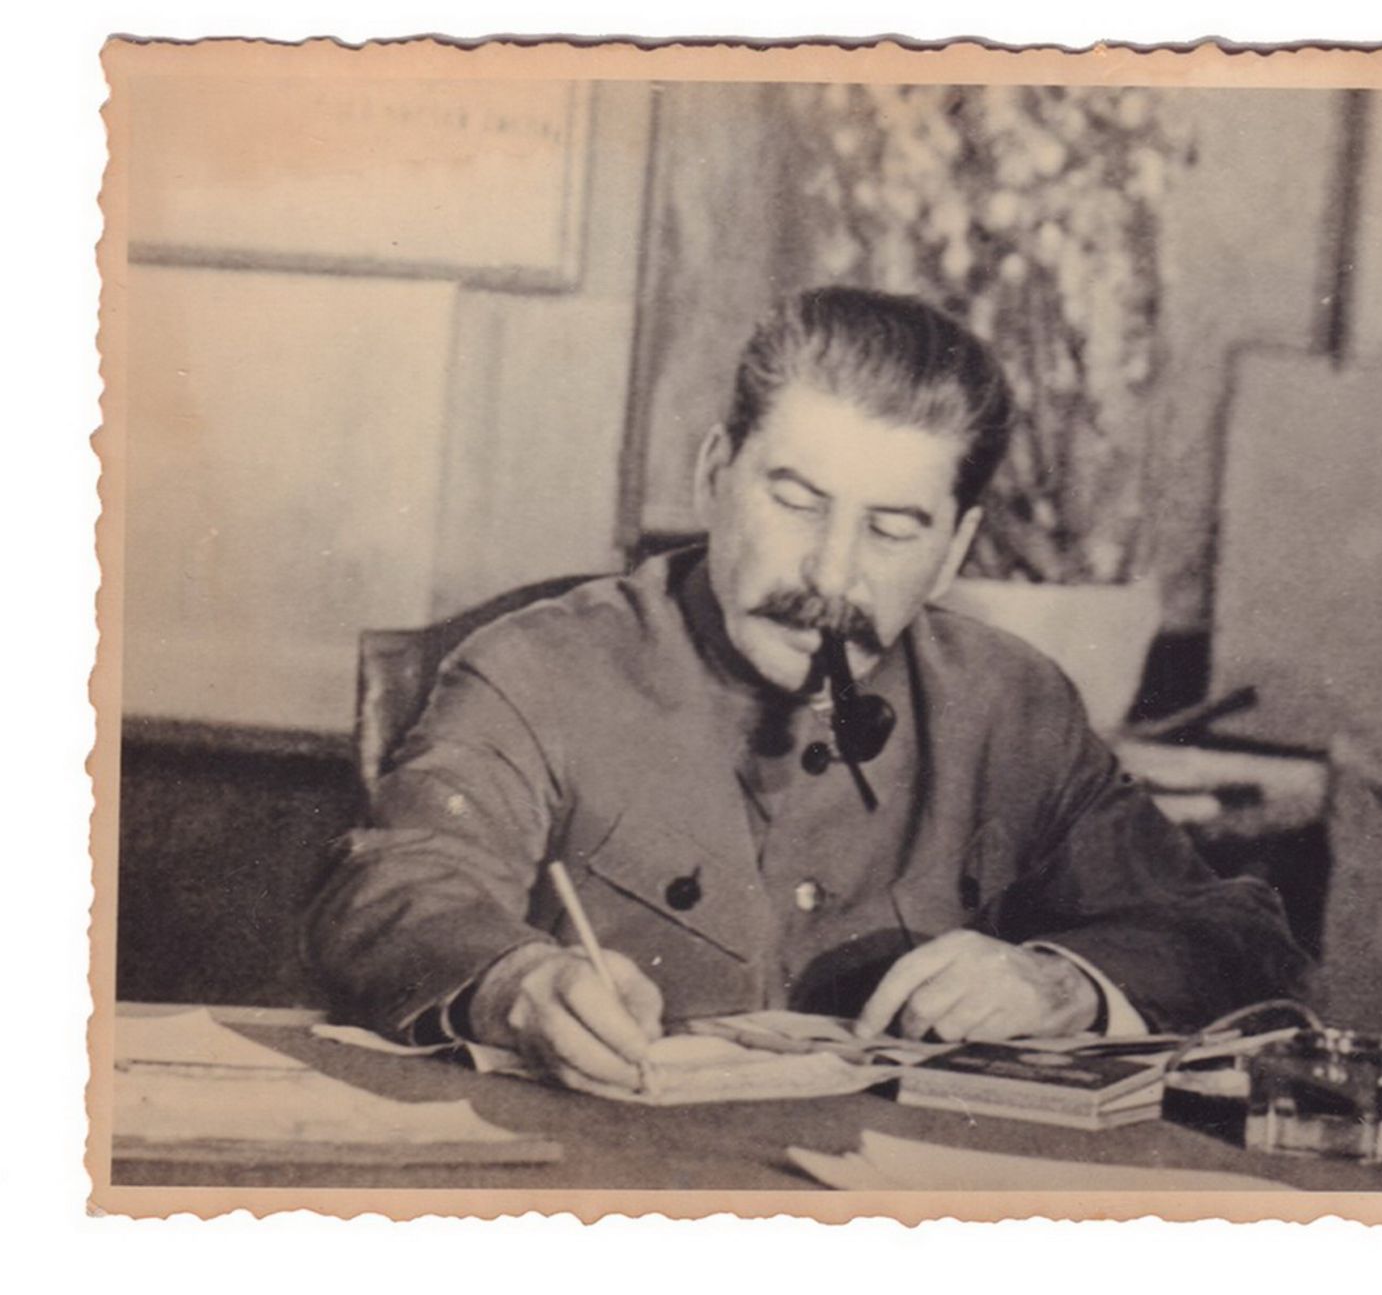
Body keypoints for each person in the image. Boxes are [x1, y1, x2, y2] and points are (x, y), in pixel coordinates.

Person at [307, 287, 1310, 1097]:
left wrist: (1064, 985)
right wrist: (516, 984)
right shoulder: (537, 668)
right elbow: (401, 887)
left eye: (892, 528)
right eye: (795, 499)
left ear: (955, 546)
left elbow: (1236, 936)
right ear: (714, 473)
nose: (832, 574)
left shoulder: (1011, 707)